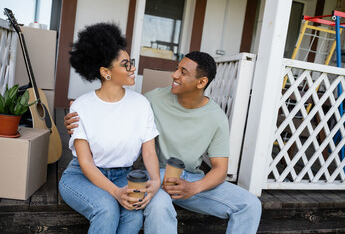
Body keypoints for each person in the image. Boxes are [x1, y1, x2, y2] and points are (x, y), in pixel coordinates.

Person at [65, 51, 262, 234]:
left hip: (190, 179)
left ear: (201, 82)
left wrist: (194, 187)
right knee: (155, 207)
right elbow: (113, 106)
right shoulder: (152, 100)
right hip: (156, 175)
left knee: (251, 204)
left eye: (182, 72)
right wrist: (79, 113)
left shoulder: (216, 117)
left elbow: (220, 169)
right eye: (177, 68)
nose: (174, 75)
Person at [59, 23, 160, 234]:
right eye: (126, 64)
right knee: (106, 209)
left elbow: (148, 151)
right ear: (105, 72)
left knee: (134, 214)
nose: (133, 68)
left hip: (124, 175)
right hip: (83, 176)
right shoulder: (81, 106)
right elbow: (85, 162)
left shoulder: (141, 104)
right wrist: (116, 192)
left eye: (131, 62)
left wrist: (156, 181)